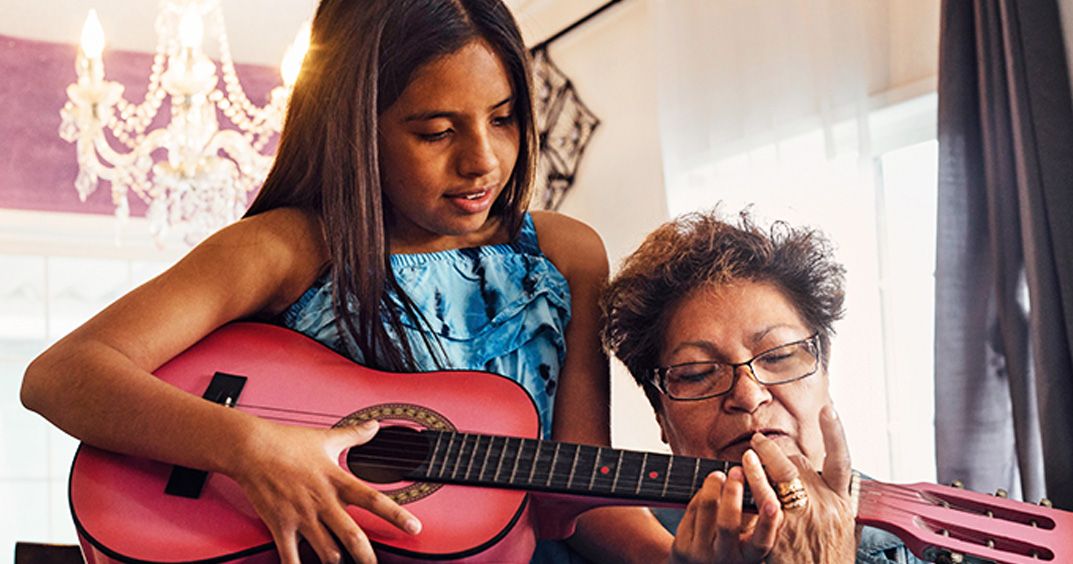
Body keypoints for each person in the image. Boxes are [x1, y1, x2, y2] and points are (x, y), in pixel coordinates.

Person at [20, 1, 670, 562]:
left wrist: (680, 553)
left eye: (502, 119)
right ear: (357, 127)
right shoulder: (289, 246)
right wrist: (252, 448)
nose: (483, 160)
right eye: (437, 131)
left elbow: (584, 492)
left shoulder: (565, 255)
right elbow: (61, 375)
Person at [601, 208, 929, 563]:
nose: (748, 395)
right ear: (660, 416)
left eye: (779, 356)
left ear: (825, 373)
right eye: (696, 373)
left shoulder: (930, 548)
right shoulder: (613, 547)